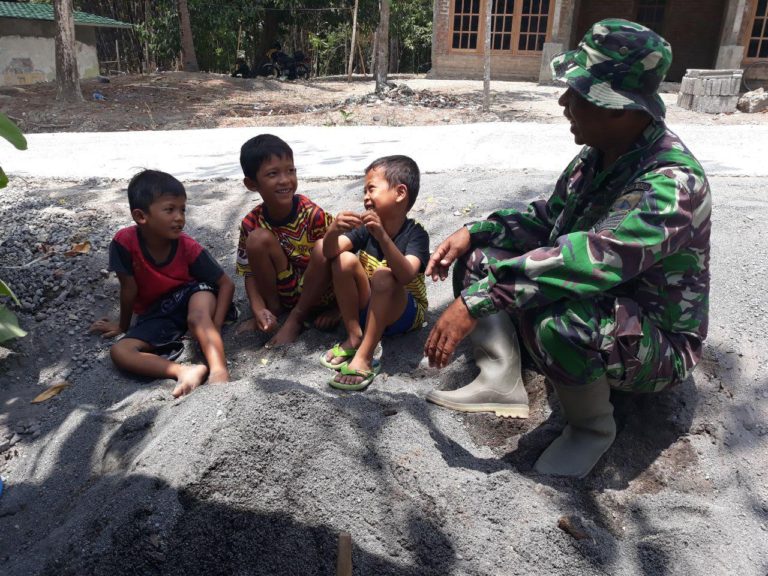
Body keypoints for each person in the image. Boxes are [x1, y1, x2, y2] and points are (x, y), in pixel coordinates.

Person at [423, 19, 711, 478]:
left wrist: (476, 302)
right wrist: (477, 231)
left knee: (560, 320)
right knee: (480, 258)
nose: (563, 102)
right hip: (606, 305)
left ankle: (592, 428)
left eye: (577, 93)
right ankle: (501, 378)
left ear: (616, 107)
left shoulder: (670, 184)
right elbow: (549, 219)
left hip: (656, 340)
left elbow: (590, 260)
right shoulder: (600, 152)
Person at [90, 170, 235, 398]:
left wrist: (215, 325)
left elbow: (225, 284)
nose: (180, 217)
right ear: (141, 216)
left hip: (193, 293)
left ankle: (219, 371)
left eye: (182, 209)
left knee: (198, 314)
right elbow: (129, 288)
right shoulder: (124, 243)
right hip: (158, 313)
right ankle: (184, 371)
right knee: (120, 351)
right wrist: (123, 326)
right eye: (170, 209)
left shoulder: (187, 247)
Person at [320, 155, 429, 390]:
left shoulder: (416, 234)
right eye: (364, 191)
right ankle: (354, 335)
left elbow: (407, 275)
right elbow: (329, 252)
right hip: (370, 309)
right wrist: (332, 230)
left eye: (371, 189)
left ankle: (365, 356)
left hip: (405, 315)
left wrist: (382, 236)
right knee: (344, 260)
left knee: (384, 275)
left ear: (400, 193)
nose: (366, 198)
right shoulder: (364, 229)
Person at [235, 134, 335, 347]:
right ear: (251, 184)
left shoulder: (313, 215)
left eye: (291, 171)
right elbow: (249, 273)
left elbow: (338, 260)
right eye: (273, 174)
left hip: (319, 290)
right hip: (285, 289)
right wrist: (258, 308)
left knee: (324, 248)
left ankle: (301, 318)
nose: (285, 180)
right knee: (257, 239)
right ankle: (273, 311)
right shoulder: (251, 222)